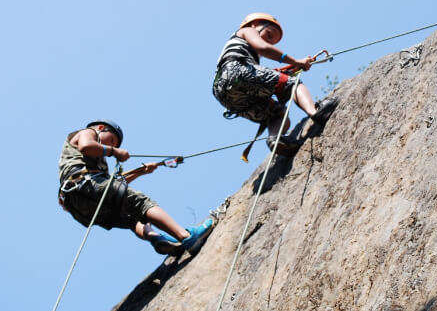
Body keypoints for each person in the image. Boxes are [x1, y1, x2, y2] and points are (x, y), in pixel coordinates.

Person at [57, 120, 213, 256]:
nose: (109, 145)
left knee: (131, 217)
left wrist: (141, 171)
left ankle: (157, 238)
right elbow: (86, 146)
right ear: (100, 127)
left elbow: (115, 186)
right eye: (111, 139)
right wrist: (114, 151)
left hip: (81, 206)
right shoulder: (88, 133)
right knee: (141, 203)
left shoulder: (96, 162)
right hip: (86, 185)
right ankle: (186, 236)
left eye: (112, 144)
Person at [212, 13, 338, 157]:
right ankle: (315, 113)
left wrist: (291, 69)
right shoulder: (247, 31)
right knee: (292, 84)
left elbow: (258, 78)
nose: (268, 41)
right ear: (255, 24)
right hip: (235, 71)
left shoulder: (241, 50)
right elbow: (263, 48)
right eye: (269, 34)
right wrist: (295, 61)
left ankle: (275, 140)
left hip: (225, 93)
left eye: (272, 41)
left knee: (277, 114)